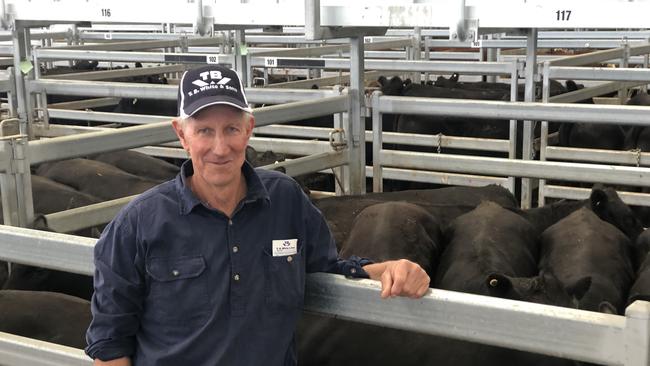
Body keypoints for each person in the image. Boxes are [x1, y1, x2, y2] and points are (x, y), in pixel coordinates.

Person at [85, 65, 430, 366]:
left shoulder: (285, 200)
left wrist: (391, 269)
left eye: (231, 129)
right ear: (181, 134)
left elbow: (327, 271)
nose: (220, 148)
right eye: (204, 130)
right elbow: (110, 345)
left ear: (249, 129)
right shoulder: (137, 225)